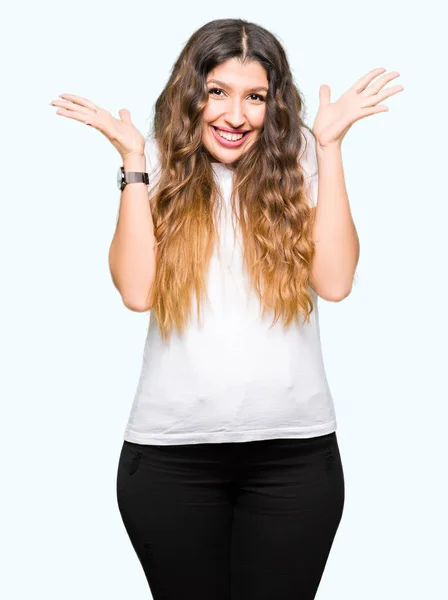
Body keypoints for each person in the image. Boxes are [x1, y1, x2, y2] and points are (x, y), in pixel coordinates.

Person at [50, 17, 404, 600]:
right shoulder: (155, 166)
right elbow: (138, 291)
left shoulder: (301, 165)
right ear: (190, 92)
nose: (235, 116)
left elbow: (335, 282)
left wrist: (331, 148)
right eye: (218, 92)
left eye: (255, 97)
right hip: (170, 462)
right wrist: (135, 162)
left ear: (275, 102)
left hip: (295, 460)